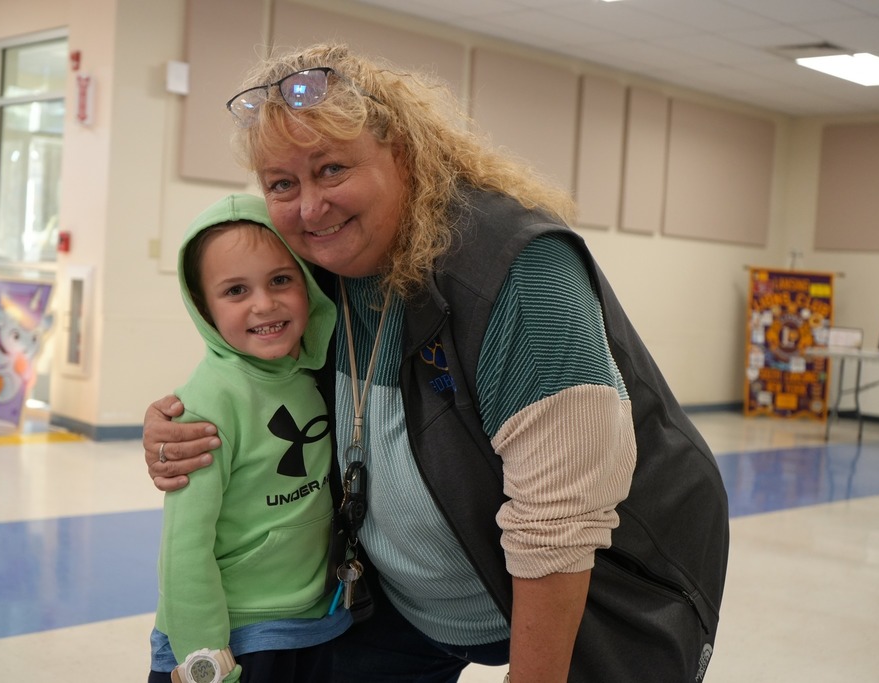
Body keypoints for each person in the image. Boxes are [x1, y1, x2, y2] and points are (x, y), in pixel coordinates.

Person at [144, 44, 730, 683]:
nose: (309, 207)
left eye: (333, 168)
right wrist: (181, 424)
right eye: (282, 184)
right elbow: (256, 365)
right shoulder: (319, 266)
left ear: (402, 153)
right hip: (407, 604)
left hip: (605, 589)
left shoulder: (514, 270)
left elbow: (559, 520)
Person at [148, 193, 348, 683]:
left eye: (281, 279)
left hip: (312, 620)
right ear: (204, 306)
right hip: (235, 636)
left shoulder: (313, 373)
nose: (265, 303)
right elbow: (184, 546)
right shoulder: (209, 403)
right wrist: (205, 655)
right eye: (236, 291)